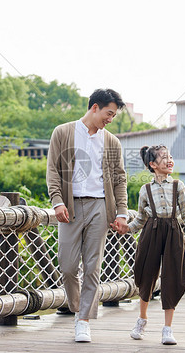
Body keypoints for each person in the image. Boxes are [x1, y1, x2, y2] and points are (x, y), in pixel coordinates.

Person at [46, 88, 129, 343]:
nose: (110, 119)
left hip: (100, 207)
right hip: (70, 208)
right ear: (95, 107)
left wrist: (122, 212)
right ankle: (76, 308)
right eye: (109, 113)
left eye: (113, 115)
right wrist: (57, 201)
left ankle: (83, 320)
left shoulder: (112, 141)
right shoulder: (63, 132)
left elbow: (119, 179)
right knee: (68, 265)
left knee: (93, 266)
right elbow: (52, 170)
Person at [120, 145, 185, 345]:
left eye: (170, 156)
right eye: (164, 158)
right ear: (152, 164)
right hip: (150, 232)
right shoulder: (145, 190)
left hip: (173, 232)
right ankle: (142, 320)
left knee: (173, 277)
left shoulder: (178, 186)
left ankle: (167, 328)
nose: (170, 160)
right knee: (145, 275)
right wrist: (126, 228)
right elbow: (140, 219)